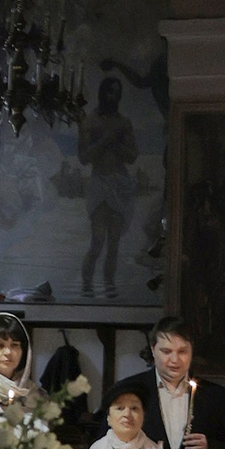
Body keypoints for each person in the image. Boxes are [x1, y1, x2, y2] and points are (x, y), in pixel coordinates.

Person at [114, 315, 225, 449]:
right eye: (166, 351)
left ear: (192, 351)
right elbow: (106, 445)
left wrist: (209, 448)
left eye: (182, 351)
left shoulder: (213, 395)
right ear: (153, 350)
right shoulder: (127, 390)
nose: (175, 359)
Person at [78, 76, 139, 297]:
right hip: (99, 183)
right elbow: (84, 157)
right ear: (102, 93)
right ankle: (86, 287)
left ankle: (109, 287)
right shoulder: (90, 121)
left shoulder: (124, 123)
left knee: (114, 243)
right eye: (110, 91)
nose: (114, 96)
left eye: (117, 92)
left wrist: (115, 142)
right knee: (98, 240)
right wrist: (104, 140)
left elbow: (132, 156)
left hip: (119, 184)